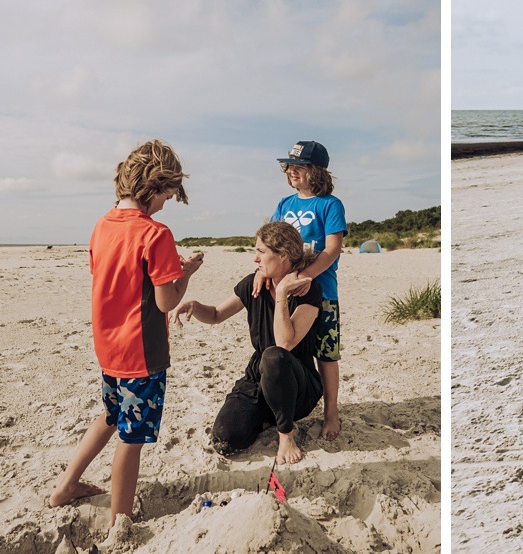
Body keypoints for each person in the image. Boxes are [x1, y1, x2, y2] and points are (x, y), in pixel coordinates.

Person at [48, 140, 205, 525]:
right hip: (142, 352)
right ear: (154, 189)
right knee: (131, 438)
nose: (167, 204)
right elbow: (167, 303)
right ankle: (121, 523)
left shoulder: (101, 226)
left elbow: (113, 282)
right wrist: (186, 273)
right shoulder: (156, 234)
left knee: (111, 415)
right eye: (167, 195)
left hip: (108, 346)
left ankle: (65, 486)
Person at [178, 222, 325, 464]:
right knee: (226, 440)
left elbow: (285, 343)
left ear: (283, 255)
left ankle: (286, 434)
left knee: (274, 356)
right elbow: (216, 314)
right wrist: (195, 306)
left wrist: (281, 297)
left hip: (297, 383)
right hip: (258, 379)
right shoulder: (252, 284)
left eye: (261, 251)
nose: (255, 259)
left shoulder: (308, 291)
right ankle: (268, 417)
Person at [268, 141, 347, 440]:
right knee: (286, 349)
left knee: (326, 355)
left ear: (317, 171)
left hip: (323, 291)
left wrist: (306, 277)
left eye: (299, 166)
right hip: (286, 292)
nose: (292, 171)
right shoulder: (284, 205)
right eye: (289, 166)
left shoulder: (330, 204)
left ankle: (331, 413)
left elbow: (332, 249)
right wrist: (268, 275)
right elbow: (271, 243)